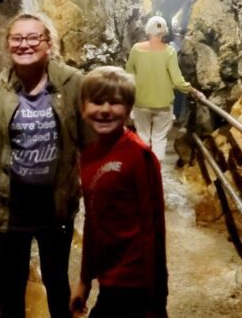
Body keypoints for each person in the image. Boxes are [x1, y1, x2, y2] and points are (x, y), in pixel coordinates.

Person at [0, 12, 86, 318]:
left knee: (58, 283)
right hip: (8, 213)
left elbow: (91, 143)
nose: (25, 45)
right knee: (10, 289)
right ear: (8, 44)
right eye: (17, 38)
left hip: (56, 210)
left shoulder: (73, 84)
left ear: (49, 44)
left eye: (34, 37)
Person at [71, 66, 167, 318]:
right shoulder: (89, 157)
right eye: (96, 101)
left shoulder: (139, 156)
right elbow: (92, 222)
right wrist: (84, 281)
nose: (105, 110)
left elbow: (154, 228)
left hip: (134, 280)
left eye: (115, 102)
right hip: (107, 275)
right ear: (83, 108)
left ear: (129, 108)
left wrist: (156, 302)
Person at [125, 16, 193, 160]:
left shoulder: (136, 50)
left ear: (148, 31)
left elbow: (128, 75)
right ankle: (155, 172)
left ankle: (142, 170)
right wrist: (191, 89)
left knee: (142, 137)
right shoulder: (169, 52)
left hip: (141, 102)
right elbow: (177, 80)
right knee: (159, 140)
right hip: (163, 104)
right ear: (164, 33)